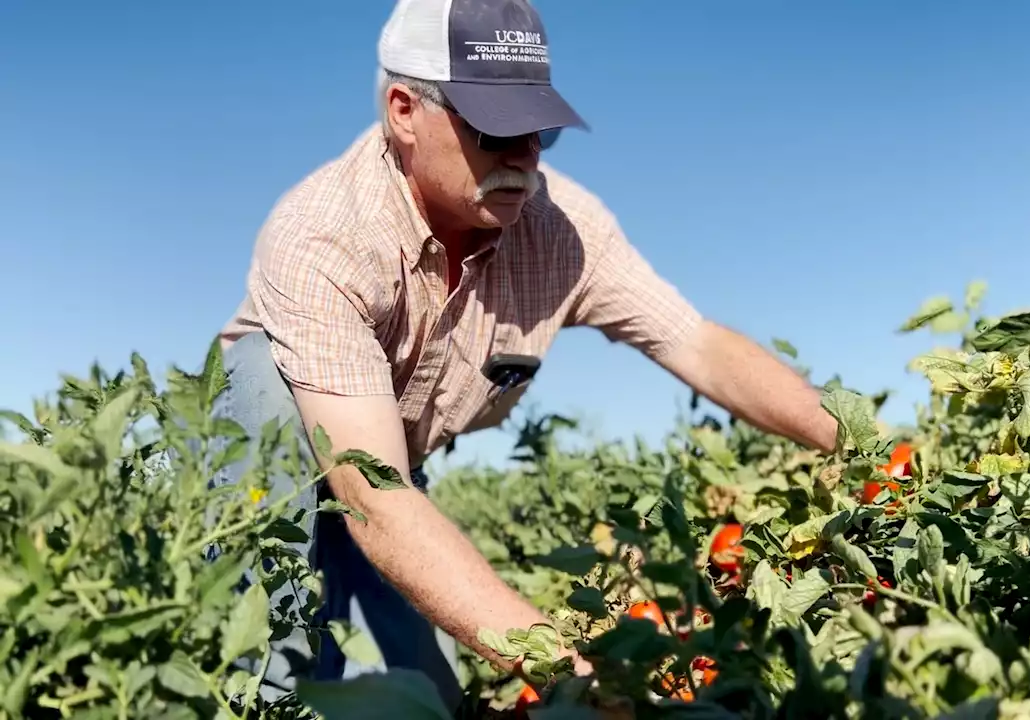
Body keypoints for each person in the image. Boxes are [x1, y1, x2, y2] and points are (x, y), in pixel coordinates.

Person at [213, 0, 839, 709]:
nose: (525, 154)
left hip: (392, 467)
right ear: (403, 110)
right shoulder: (324, 236)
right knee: (273, 661)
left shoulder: (563, 230)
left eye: (538, 128)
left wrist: (858, 442)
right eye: (494, 128)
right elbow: (373, 495)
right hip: (272, 476)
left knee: (432, 696)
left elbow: (696, 344)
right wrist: (567, 669)